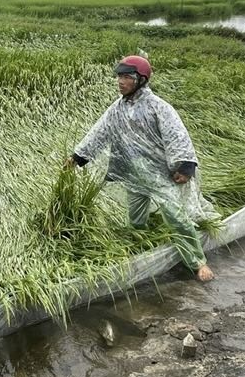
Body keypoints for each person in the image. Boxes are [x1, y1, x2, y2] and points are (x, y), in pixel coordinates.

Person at [66, 55, 217, 282]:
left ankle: (197, 262)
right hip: (132, 174)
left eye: (127, 77)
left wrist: (186, 166)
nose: (120, 81)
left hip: (160, 176)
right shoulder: (117, 109)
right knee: (135, 219)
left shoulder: (158, 107)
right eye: (119, 76)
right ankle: (141, 246)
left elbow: (177, 136)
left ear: (140, 80)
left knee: (176, 218)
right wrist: (78, 157)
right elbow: (99, 133)